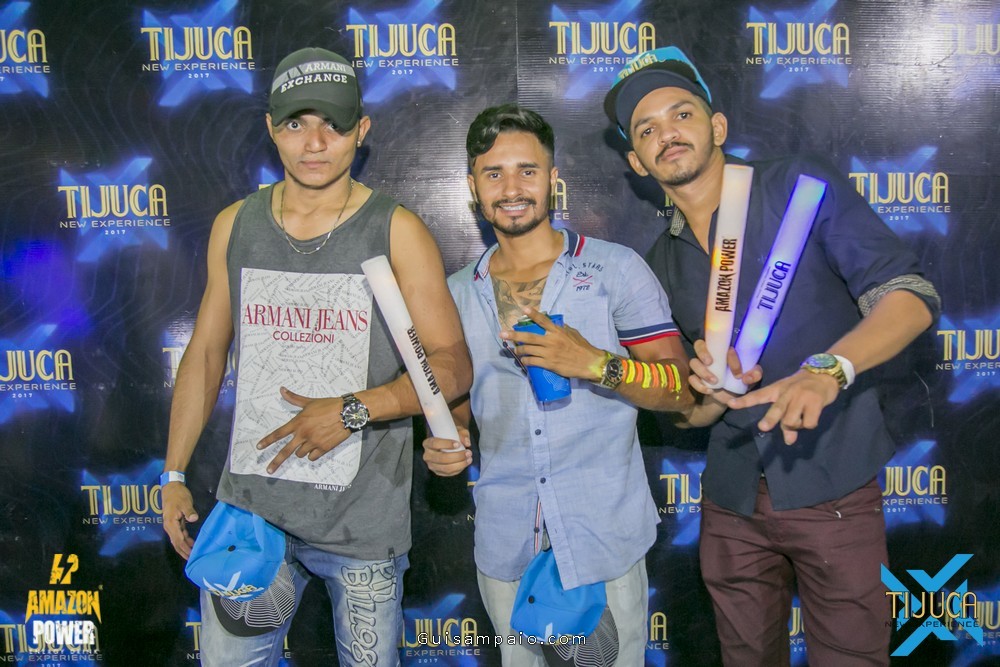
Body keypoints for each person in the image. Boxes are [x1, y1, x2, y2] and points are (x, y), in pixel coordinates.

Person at [604, 47, 940, 666]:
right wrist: (706, 393)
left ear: (718, 126)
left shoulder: (798, 186)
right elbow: (692, 414)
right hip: (731, 499)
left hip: (831, 483)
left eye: (681, 114)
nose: (666, 134)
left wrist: (828, 370)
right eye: (645, 130)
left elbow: (908, 297)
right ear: (636, 161)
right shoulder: (657, 263)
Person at [160, 47, 471, 667]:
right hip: (253, 515)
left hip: (361, 522)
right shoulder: (235, 225)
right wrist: (173, 474)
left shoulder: (396, 230)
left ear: (362, 130)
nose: (315, 142)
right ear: (271, 129)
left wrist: (355, 409)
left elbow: (452, 364)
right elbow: (206, 353)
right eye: (296, 123)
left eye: (333, 124)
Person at [423, 103, 694, 666]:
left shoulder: (616, 269)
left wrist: (595, 363)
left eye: (527, 170)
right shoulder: (455, 292)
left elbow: (679, 390)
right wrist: (448, 444)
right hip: (507, 535)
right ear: (472, 187)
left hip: (603, 536)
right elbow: (458, 408)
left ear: (552, 179)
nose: (511, 188)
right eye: (493, 174)